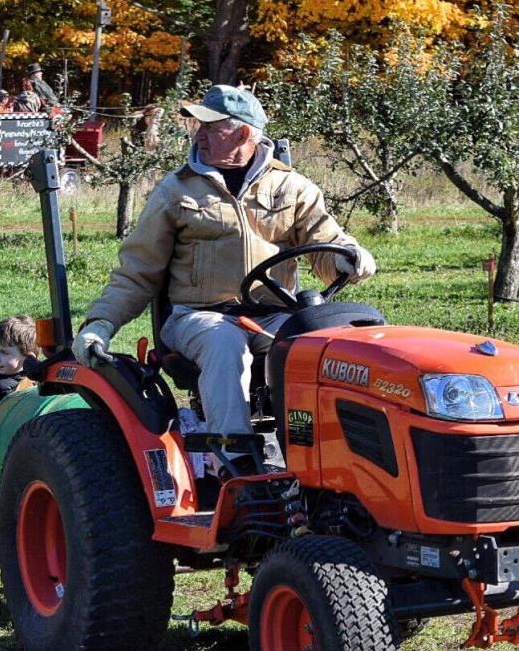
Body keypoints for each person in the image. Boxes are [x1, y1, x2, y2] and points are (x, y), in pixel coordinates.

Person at [71, 85, 377, 458]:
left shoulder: (292, 187)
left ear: (244, 133)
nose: (198, 134)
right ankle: (236, 461)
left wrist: (349, 257)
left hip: (273, 318)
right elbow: (138, 270)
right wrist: (101, 324)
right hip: (197, 317)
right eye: (198, 125)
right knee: (224, 343)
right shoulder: (175, 190)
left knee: (324, 345)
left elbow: (327, 245)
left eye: (210, 127)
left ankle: (322, 457)